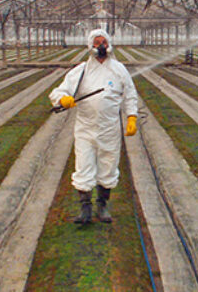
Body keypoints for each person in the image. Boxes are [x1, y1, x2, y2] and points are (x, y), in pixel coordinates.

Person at [49, 29, 138, 224]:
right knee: (84, 166)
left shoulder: (119, 69)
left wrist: (131, 117)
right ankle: (85, 209)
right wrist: (63, 99)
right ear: (90, 46)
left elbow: (130, 94)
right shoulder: (80, 71)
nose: (101, 46)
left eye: (103, 42)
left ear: (109, 44)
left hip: (110, 128)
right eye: (96, 43)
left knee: (108, 165)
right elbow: (57, 91)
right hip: (85, 128)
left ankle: (103, 205)